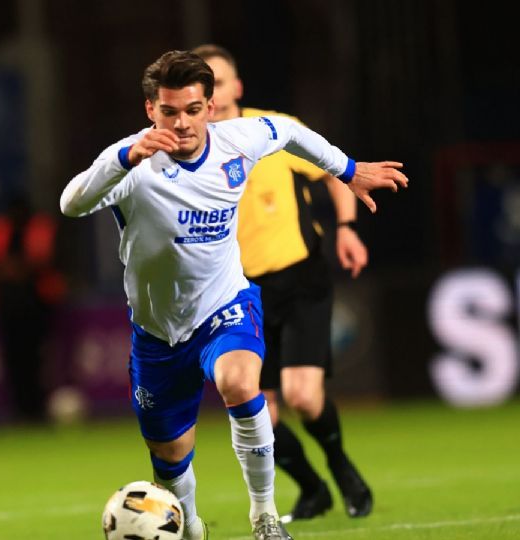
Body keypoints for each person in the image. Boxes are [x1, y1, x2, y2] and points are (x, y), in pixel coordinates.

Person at [60, 50, 406, 540]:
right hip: (158, 332)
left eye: (193, 110)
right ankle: (192, 525)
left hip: (226, 305)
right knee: (171, 460)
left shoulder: (237, 141)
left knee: (242, 384)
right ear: (150, 110)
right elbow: (70, 203)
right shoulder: (132, 161)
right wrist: (124, 158)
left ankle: (264, 517)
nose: (182, 123)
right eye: (169, 111)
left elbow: (288, 133)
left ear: (210, 104)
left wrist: (348, 169)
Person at [193, 43, 374, 523]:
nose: (213, 91)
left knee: (302, 397)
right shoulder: (191, 149)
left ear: (236, 87)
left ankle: (342, 470)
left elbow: (337, 170)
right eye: (203, 82)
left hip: (299, 278)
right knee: (260, 413)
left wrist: (347, 229)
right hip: (238, 293)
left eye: (220, 79)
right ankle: (312, 489)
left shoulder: (271, 128)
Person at [0, 193, 66, 421]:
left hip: (37, 303)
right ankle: (20, 409)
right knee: (13, 357)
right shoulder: (0, 229)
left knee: (38, 357)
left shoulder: (41, 227)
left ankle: (38, 407)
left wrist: (17, 269)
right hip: (8, 305)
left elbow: (46, 261)